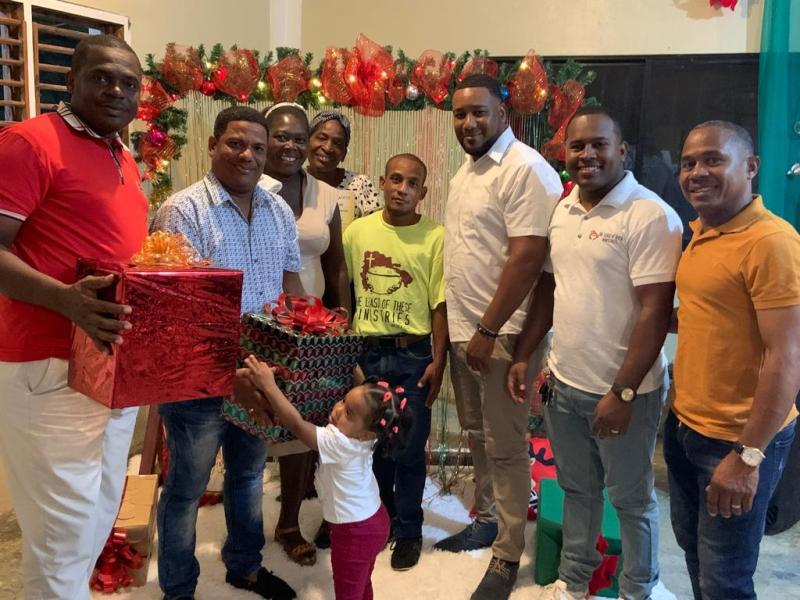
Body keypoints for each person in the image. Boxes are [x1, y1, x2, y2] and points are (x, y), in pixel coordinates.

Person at [508, 107, 683, 600]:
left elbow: (655, 313)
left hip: (627, 394)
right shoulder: (564, 209)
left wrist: (622, 393)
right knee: (577, 490)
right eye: (577, 146)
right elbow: (550, 289)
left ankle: (638, 590)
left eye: (599, 145)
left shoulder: (650, 215)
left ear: (622, 150)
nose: (587, 155)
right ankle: (573, 581)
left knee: (631, 500)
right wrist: (525, 355)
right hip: (565, 386)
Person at [0, 35, 147, 599]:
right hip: (49, 367)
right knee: (61, 538)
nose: (116, 91)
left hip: (109, 367)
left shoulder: (120, 154)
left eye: (129, 83)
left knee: (94, 520)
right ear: (71, 81)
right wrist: (66, 300)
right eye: (102, 77)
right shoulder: (31, 142)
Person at [151, 106, 301, 600]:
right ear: (213, 145)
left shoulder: (279, 211)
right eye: (236, 144)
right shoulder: (182, 211)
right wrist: (228, 370)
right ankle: (178, 588)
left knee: (249, 475)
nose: (248, 155)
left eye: (258, 147)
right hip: (198, 377)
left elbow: (290, 289)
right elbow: (176, 314)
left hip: (259, 374)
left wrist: (306, 344)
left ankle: (245, 566)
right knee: (187, 487)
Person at [437, 73, 562, 600]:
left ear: (503, 115)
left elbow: (529, 258)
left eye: (479, 112)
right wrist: (466, 332)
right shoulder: (467, 171)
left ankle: (508, 554)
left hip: (502, 334)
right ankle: (488, 521)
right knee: (478, 435)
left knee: (507, 446)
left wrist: (488, 330)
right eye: (460, 114)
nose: (468, 123)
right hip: (468, 332)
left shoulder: (524, 168)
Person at [665, 120, 800, 600]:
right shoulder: (702, 232)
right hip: (684, 426)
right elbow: (707, 316)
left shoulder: (770, 242)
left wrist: (748, 456)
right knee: (695, 555)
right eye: (688, 163)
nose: (696, 172)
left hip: (737, 440)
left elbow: (786, 354)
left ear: (751, 166)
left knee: (726, 579)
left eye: (713, 160)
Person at [343, 153, 448, 570]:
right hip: (367, 352)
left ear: (423, 192)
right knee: (372, 444)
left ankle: (409, 530)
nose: (402, 189)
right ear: (383, 182)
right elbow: (346, 290)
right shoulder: (357, 233)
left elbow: (439, 304)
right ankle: (381, 519)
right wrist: (346, 351)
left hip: (413, 355)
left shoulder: (435, 237)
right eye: (396, 179)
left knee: (407, 447)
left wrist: (439, 360)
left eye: (412, 183)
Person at [261, 102, 351, 566]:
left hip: (312, 324)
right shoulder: (248, 182)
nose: (292, 146)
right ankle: (243, 527)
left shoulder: (327, 196)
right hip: (259, 320)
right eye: (283, 137)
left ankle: (289, 522)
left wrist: (342, 321)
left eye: (299, 138)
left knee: (302, 425)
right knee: (252, 421)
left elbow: (337, 267)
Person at [243, 356, 411, 600]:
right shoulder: (369, 437)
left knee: (348, 592)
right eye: (343, 401)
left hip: (355, 533)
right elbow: (366, 396)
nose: (338, 409)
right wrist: (350, 364)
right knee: (362, 582)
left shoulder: (339, 443)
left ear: (367, 433)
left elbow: (296, 424)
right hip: (375, 521)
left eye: (349, 413)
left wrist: (269, 386)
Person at [307, 110, 383, 222]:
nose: (328, 148)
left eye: (337, 143)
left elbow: (376, 227)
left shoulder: (360, 184)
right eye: (322, 138)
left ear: (344, 154)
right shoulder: (293, 182)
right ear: (306, 141)